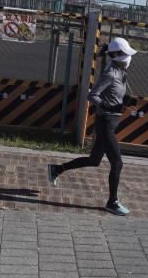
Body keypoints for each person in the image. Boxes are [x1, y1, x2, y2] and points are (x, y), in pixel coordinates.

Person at [47, 37, 138, 216]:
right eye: (126, 54)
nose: (129, 57)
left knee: (94, 161)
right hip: (105, 124)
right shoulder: (111, 73)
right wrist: (108, 106)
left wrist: (125, 100)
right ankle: (112, 202)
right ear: (117, 55)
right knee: (117, 163)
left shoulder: (120, 71)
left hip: (111, 123)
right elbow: (93, 96)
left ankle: (57, 169)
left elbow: (114, 95)